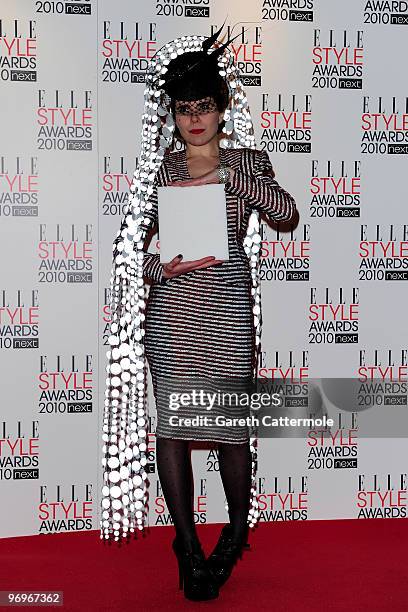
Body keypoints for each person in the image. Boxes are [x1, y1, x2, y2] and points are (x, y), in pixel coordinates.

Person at [101, 26, 297, 603]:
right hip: (174, 316)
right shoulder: (162, 171)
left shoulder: (248, 161)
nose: (193, 119)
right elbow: (142, 260)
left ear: (221, 108)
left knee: (233, 432)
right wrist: (166, 271)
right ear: (173, 115)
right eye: (183, 109)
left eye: (203, 107)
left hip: (228, 313)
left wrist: (234, 177)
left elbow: (285, 214)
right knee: (174, 431)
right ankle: (187, 548)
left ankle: (235, 536)